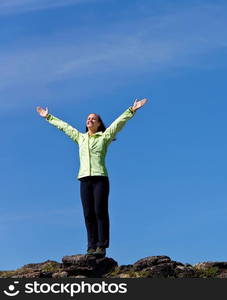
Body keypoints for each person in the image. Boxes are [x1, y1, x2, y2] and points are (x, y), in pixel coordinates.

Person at [36, 98, 148, 257]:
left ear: (98, 124)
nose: (90, 120)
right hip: (84, 179)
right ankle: (91, 246)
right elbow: (65, 127)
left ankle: (101, 247)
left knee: (100, 211)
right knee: (88, 213)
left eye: (93, 119)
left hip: (100, 178)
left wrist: (131, 110)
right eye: (88, 118)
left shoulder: (104, 137)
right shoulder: (80, 138)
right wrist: (48, 117)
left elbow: (118, 123)